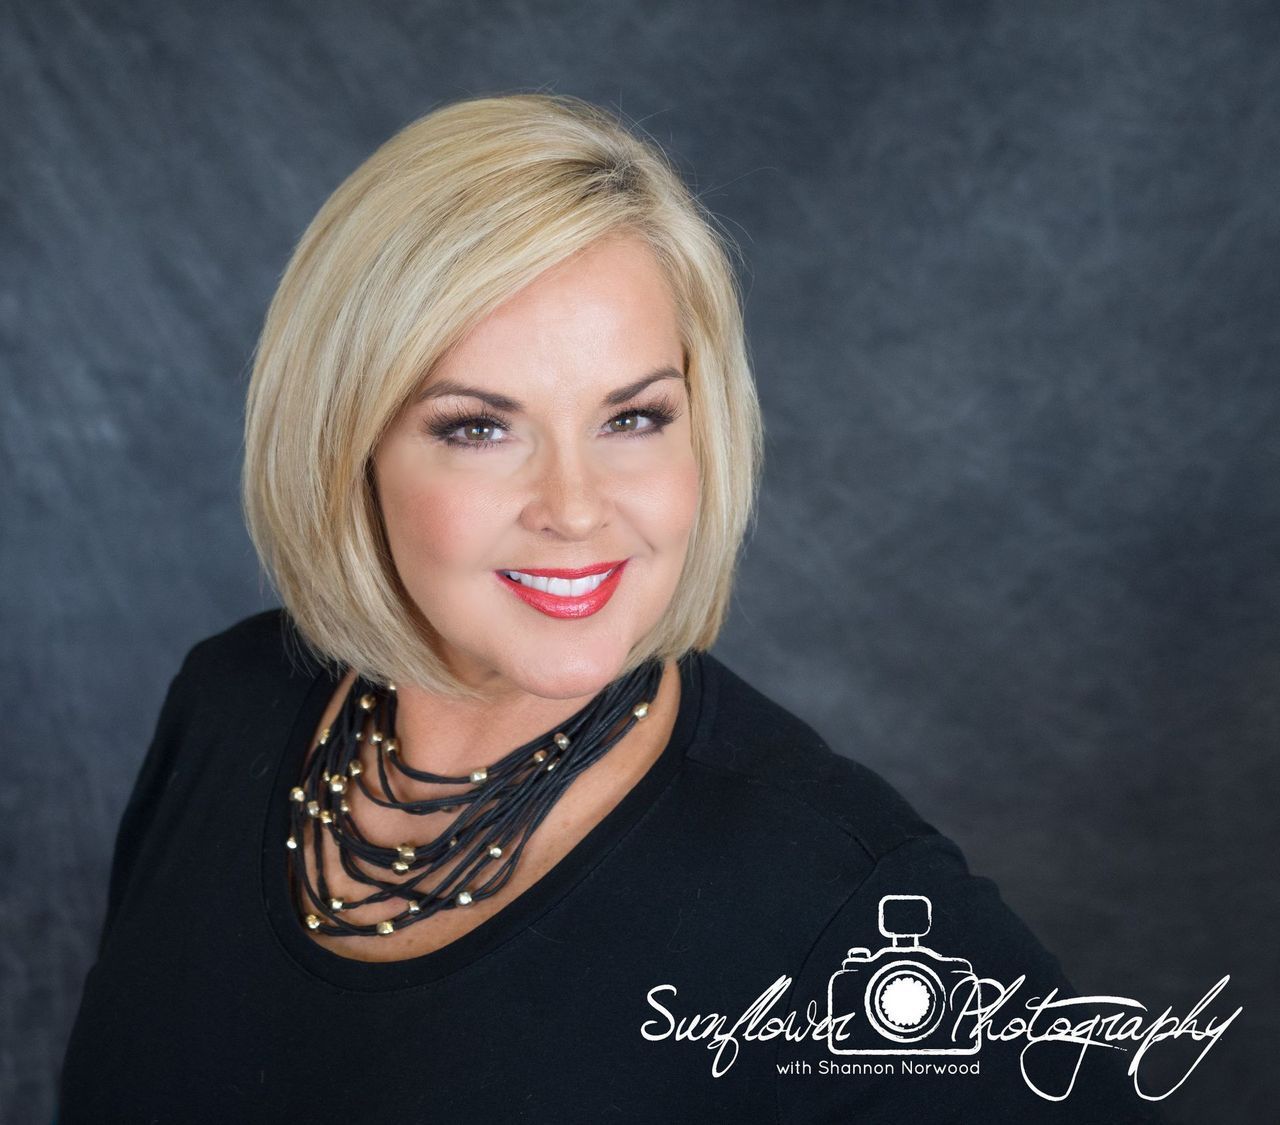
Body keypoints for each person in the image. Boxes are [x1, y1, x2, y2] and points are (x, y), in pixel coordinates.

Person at [56, 93, 1167, 1123]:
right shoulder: (229, 705)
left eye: (631, 418)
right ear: (346, 450)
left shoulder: (836, 903)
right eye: (478, 427)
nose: (575, 510)